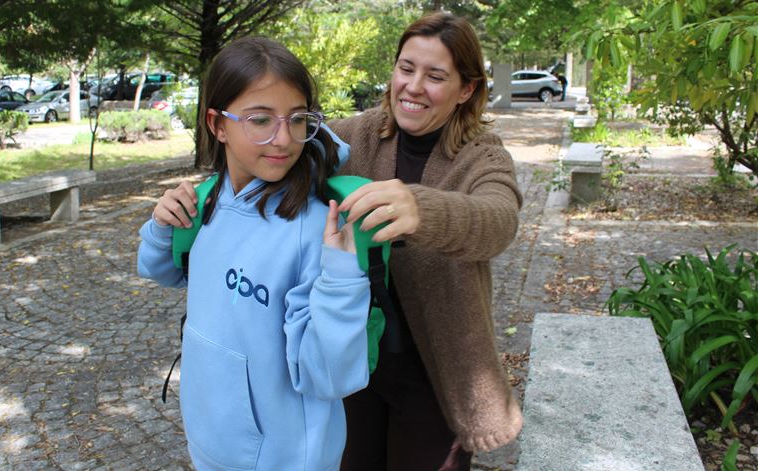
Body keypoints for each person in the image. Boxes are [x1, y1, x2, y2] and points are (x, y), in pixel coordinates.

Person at [136, 36, 371, 471]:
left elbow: (328, 374)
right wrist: (161, 226)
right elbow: (163, 271)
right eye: (260, 120)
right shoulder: (208, 198)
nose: (283, 139)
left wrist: (342, 276)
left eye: (297, 119)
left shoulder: (313, 229)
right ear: (217, 124)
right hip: (211, 439)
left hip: (286, 457)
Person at [328, 12, 524, 471]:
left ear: (466, 90)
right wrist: (191, 198)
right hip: (357, 369)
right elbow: (279, 140)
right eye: (405, 68)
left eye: (435, 76)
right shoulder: (356, 136)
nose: (413, 87)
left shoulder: (481, 155)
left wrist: (423, 210)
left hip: (436, 378)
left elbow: (498, 220)